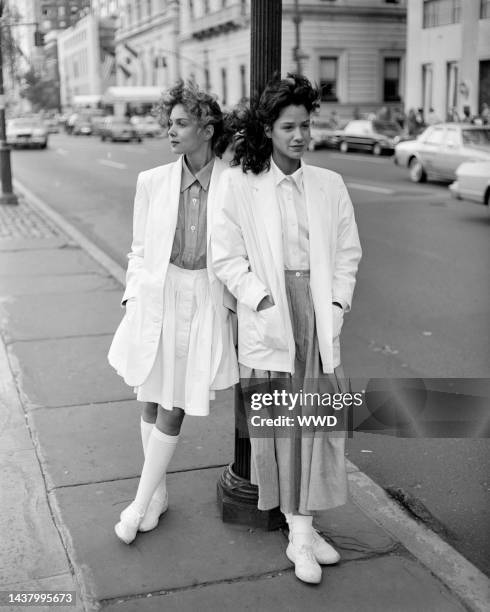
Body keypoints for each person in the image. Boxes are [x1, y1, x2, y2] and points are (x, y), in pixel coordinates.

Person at [212, 74, 362, 584]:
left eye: (305, 125)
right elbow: (226, 258)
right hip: (273, 313)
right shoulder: (240, 184)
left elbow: (347, 253)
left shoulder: (328, 185)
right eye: (288, 126)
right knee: (281, 429)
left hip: (317, 313)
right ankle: (299, 535)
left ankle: (306, 525)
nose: (299, 136)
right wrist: (263, 300)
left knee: (318, 424)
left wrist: (337, 303)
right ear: (269, 129)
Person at [108, 81, 238, 544]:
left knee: (175, 402)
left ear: (207, 128)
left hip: (203, 296)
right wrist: (133, 298)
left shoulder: (234, 182)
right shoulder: (152, 182)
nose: (171, 130)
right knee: (150, 393)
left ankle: (139, 503)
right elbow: (139, 249)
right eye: (170, 122)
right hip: (157, 294)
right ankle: (156, 496)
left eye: (181, 123)